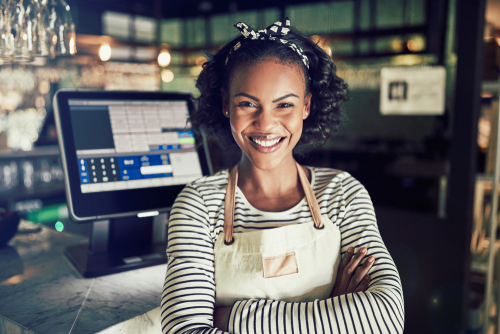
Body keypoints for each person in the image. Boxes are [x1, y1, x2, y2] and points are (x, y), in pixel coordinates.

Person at [161, 18, 404, 334]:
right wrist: (334, 313)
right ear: (225, 104)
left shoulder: (343, 194)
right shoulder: (197, 205)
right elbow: (183, 331)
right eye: (248, 103)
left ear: (305, 106)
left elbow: (385, 319)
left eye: (284, 105)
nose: (266, 123)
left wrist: (235, 318)